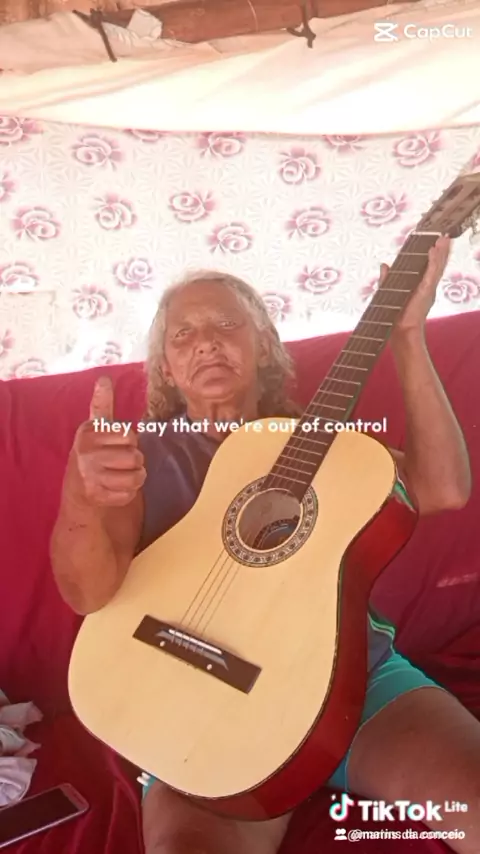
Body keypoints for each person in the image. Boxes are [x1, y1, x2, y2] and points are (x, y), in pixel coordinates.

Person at [50, 235, 480, 854]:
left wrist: (408, 335)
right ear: (166, 368)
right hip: (198, 697)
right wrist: (83, 493)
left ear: (265, 346)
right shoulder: (130, 456)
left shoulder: (327, 443)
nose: (206, 341)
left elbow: (443, 490)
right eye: (183, 334)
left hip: (357, 687)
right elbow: (87, 594)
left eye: (227, 324)